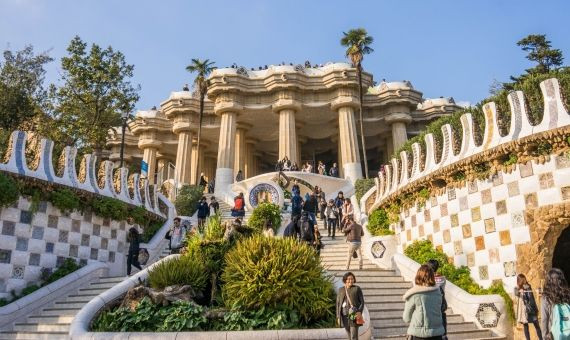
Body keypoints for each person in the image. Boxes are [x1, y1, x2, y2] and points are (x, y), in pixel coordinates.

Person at [403, 265, 445, 340]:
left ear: (418, 276)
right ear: (432, 277)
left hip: (418, 335)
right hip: (437, 334)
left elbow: (406, 318)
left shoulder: (414, 294)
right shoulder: (438, 293)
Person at [541, 268, 570, 340]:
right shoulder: (567, 295)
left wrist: (544, 336)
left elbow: (544, 319)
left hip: (553, 335)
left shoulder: (546, 298)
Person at [336, 272, 365, 340]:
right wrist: (338, 316)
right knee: (349, 335)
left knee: (353, 336)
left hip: (353, 315)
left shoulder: (357, 289)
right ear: (345, 280)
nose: (350, 281)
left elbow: (362, 302)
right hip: (344, 315)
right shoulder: (341, 290)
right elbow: (338, 304)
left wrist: (359, 312)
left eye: (352, 279)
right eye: (348, 279)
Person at [515, 273, 542, 340]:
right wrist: (520, 291)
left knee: (537, 325)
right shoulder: (516, 288)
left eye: (525, 279)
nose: (525, 280)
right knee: (525, 326)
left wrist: (535, 309)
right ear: (520, 280)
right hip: (524, 310)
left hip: (531, 308)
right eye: (523, 279)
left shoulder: (528, 286)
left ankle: (541, 338)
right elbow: (516, 293)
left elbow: (532, 298)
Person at [427, 259, 448, 339]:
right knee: (442, 332)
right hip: (440, 306)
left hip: (431, 307)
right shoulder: (443, 279)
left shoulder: (428, 279)